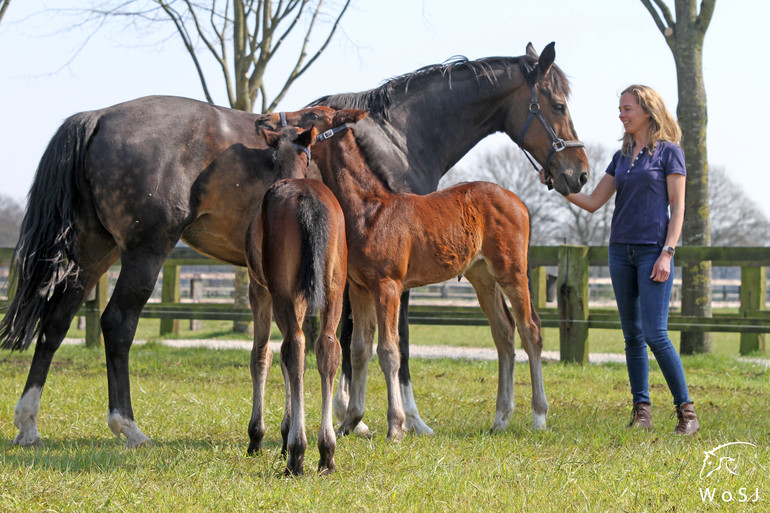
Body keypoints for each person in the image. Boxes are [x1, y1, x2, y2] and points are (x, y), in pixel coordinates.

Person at [548, 84, 700, 435]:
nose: (622, 114)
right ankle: (641, 412)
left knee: (655, 334)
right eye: (621, 108)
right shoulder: (622, 156)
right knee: (632, 336)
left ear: (647, 110)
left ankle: (687, 414)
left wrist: (668, 251)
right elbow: (592, 201)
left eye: (627, 108)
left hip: (653, 251)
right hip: (620, 251)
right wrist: (557, 183)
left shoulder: (669, 153)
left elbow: (678, 209)